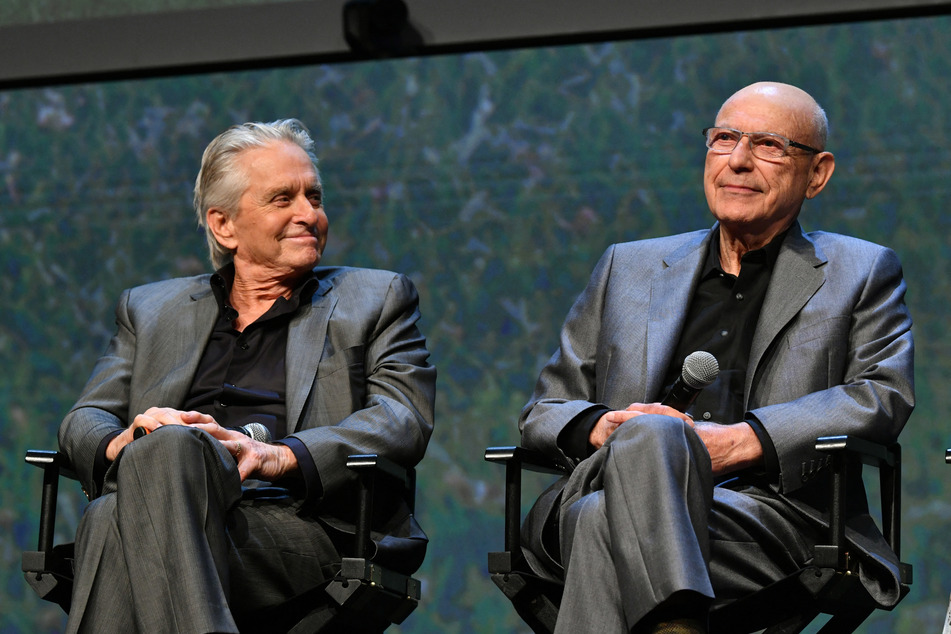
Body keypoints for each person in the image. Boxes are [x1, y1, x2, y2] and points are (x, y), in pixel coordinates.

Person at [518, 82, 914, 634]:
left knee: (600, 521)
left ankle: (672, 620)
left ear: (817, 173)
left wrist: (743, 441)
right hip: (605, 477)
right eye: (724, 138)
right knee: (653, 436)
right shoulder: (627, 268)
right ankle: (676, 617)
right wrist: (605, 428)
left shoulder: (860, 271)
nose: (738, 161)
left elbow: (882, 394)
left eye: (769, 145)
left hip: (768, 515)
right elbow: (544, 410)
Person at [57, 119, 436, 633]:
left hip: (296, 524)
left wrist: (276, 455)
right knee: (157, 462)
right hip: (168, 503)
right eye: (283, 199)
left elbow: (403, 418)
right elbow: (85, 417)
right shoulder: (150, 309)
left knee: (123, 508)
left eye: (314, 197)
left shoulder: (377, 298)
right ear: (224, 225)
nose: (309, 214)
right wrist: (118, 442)